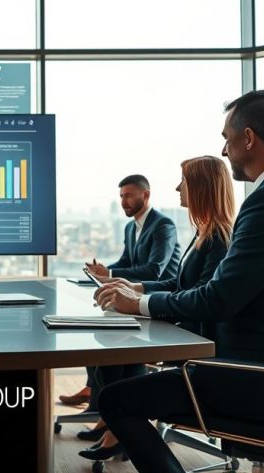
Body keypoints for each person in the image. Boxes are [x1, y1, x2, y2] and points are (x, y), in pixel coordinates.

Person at [92, 90, 264, 472]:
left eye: (226, 138)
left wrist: (139, 304)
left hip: (256, 379)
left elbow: (220, 298)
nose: (224, 151)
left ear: (248, 138)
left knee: (115, 400)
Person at [78, 155, 235, 460]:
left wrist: (138, 301)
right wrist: (134, 288)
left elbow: (199, 296)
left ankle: (116, 427)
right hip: (178, 321)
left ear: (201, 187)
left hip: (189, 335)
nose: (178, 188)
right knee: (109, 344)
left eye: (184, 182)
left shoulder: (218, 238)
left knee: (114, 353)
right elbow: (179, 283)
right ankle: (114, 427)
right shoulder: (205, 232)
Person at [60, 175, 182, 409]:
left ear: (145, 195)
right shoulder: (130, 227)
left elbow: (155, 270)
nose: (123, 201)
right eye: (121, 196)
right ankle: (95, 393)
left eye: (128, 195)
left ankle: (107, 405)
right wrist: (104, 271)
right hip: (133, 295)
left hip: (157, 297)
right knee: (94, 325)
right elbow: (127, 260)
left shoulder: (163, 225)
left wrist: (112, 274)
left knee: (108, 336)